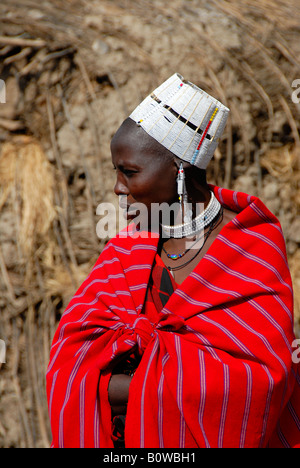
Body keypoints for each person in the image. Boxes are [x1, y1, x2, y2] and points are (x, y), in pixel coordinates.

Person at [46, 73, 300, 448]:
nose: (117, 187)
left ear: (179, 171)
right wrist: (166, 381)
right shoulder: (127, 251)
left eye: (129, 172)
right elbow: (68, 360)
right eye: (116, 171)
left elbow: (252, 384)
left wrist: (119, 383)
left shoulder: (250, 249)